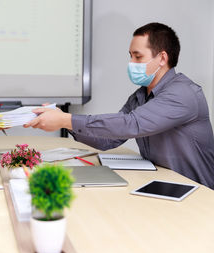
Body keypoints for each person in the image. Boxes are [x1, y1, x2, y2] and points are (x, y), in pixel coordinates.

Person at [24, 22, 214, 189]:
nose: (131, 63)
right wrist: (64, 123)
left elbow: (131, 124)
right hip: (164, 185)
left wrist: (67, 119)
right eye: (130, 56)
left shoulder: (183, 93)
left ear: (162, 58)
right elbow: (109, 139)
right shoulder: (140, 95)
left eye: (138, 57)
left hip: (197, 193)